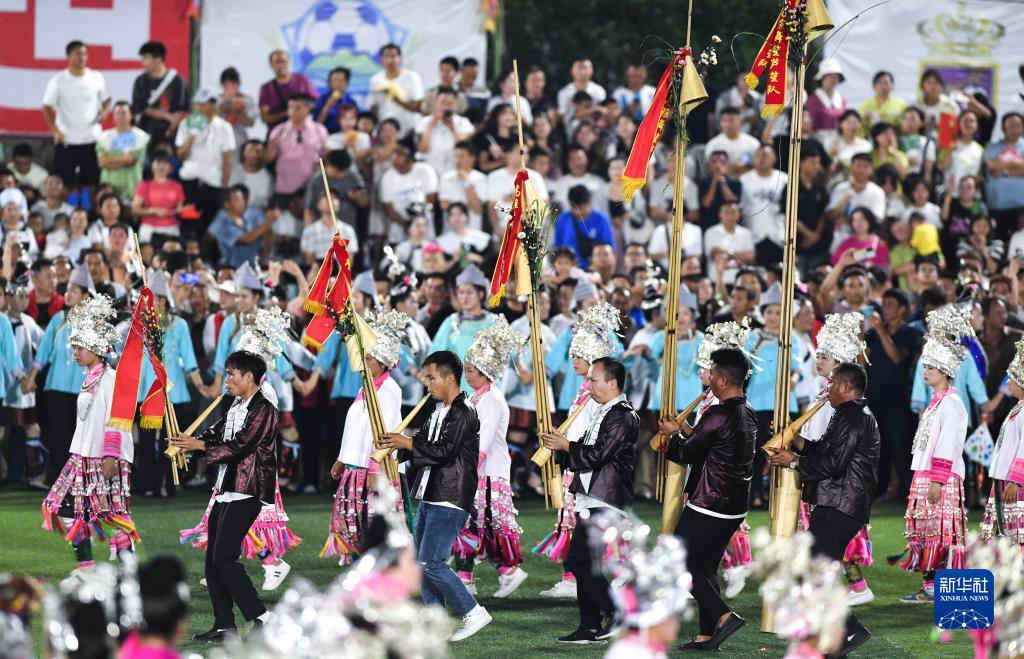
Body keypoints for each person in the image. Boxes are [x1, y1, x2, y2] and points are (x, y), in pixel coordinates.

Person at [379, 350, 493, 641]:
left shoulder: (464, 411)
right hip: (432, 492)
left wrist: (407, 442)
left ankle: (473, 611)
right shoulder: (439, 409)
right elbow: (425, 444)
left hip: (451, 495)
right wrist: (396, 446)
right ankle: (435, 623)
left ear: (449, 378)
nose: (426, 383)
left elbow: (444, 452)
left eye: (431, 377)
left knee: (432, 562)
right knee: (421, 562)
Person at [768, 362, 878, 657]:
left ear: (845, 386)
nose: (826, 390)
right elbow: (826, 451)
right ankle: (839, 632)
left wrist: (793, 460)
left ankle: (845, 629)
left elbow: (833, 464)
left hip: (841, 504)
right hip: (838, 502)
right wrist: (797, 441)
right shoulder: (847, 414)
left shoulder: (854, 417)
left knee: (812, 570)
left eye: (831, 384)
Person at [170, 350, 278, 640]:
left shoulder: (264, 409)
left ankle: (264, 617)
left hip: (248, 489)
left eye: (231, 374)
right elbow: (217, 434)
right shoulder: (235, 406)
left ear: (249, 377)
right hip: (226, 487)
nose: (226, 379)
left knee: (224, 558)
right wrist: (188, 443)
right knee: (213, 559)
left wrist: (199, 447)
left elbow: (241, 446)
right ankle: (224, 624)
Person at [659, 347, 756, 651]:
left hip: (709, 502)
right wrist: (686, 429)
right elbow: (709, 442)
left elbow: (687, 453)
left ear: (724, 380)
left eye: (712, 372)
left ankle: (724, 616)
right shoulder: (747, 411)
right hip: (733, 505)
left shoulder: (719, 413)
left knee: (680, 562)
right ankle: (706, 635)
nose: (708, 377)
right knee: (705, 567)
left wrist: (673, 435)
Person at [539, 357, 638, 644]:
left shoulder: (623, 414)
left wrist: (566, 445)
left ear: (612, 383)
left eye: (593, 380)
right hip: (592, 495)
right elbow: (586, 449)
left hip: (606, 498)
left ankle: (617, 611)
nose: (588, 385)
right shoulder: (604, 410)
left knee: (578, 561)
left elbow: (598, 455)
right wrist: (559, 445)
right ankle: (590, 625)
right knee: (585, 562)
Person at [41, 294, 136, 571]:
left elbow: (117, 418)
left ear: (96, 349)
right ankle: (87, 569)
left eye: (80, 346)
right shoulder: (91, 378)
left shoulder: (109, 379)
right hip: (82, 454)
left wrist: (109, 456)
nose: (75, 352)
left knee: (111, 515)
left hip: (104, 457)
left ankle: (128, 570)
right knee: (69, 509)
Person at [536, 300, 619, 598]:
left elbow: (591, 432)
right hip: (575, 460)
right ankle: (572, 579)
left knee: (586, 525)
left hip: (586, 463)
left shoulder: (596, 393)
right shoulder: (584, 389)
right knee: (571, 519)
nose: (573, 360)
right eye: (572, 354)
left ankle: (589, 580)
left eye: (579, 355)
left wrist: (565, 443)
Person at [891, 305, 971, 603]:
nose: (925, 372)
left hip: (941, 478)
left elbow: (948, 444)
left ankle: (939, 587)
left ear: (946, 371)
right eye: (925, 366)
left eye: (932, 368)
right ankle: (930, 586)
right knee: (927, 530)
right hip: (926, 476)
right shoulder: (937, 403)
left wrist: (937, 479)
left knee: (940, 532)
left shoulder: (952, 405)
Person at [451, 317, 529, 598]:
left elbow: (480, 444)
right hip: (475, 471)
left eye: (471, 370)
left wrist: (459, 468)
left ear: (485, 371)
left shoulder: (493, 400)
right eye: (467, 369)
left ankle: (507, 570)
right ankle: (468, 578)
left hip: (486, 472)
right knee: (471, 525)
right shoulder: (476, 398)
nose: (467, 374)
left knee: (484, 526)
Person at [323, 310, 406, 565]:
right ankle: (363, 565)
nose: (364, 362)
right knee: (355, 520)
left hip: (372, 468)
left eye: (369, 357)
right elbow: (356, 427)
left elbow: (385, 432)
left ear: (383, 363)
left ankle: (377, 566)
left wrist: (375, 469)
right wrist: (341, 458)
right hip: (354, 464)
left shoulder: (389, 390)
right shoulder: (366, 386)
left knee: (371, 519)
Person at [23, 264, 93, 480]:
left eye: (73, 290)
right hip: (56, 387)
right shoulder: (59, 319)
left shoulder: (95, 323)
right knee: (58, 436)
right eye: (67, 290)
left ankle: (80, 481)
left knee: (81, 437)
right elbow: (43, 352)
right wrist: (32, 377)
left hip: (84, 390)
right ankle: (59, 480)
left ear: (85, 296)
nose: (67, 294)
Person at [41, 40, 110, 194]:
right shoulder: (58, 80)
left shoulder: (96, 77)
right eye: (78, 53)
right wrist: (55, 130)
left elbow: (107, 100)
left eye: (85, 53)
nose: (82, 57)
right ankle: (67, 213)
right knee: (65, 183)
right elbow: (46, 107)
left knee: (92, 181)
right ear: (69, 56)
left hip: (91, 138)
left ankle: (89, 213)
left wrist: (104, 113)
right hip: (67, 139)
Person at [980, 336, 1024, 545]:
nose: (1008, 382)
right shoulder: (1017, 409)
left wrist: (1016, 480)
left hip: (1015, 483)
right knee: (1005, 531)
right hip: (1004, 479)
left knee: (1017, 533)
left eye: (1012, 378)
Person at [175, 88, 236, 228]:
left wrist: (224, 187)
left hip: (213, 183)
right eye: (197, 103)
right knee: (189, 222)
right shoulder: (186, 124)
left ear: (213, 104)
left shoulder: (224, 127)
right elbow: (180, 155)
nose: (199, 107)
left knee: (211, 224)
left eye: (203, 103)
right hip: (190, 182)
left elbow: (227, 161)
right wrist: (191, 138)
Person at [264, 93, 328, 206]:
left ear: (308, 108)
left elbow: (325, 159)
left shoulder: (319, 130)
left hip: (311, 188)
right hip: (284, 187)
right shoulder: (279, 130)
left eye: (298, 108)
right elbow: (268, 159)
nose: (293, 111)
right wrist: (272, 145)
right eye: (290, 107)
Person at [131, 41, 189, 144]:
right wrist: (167, 116)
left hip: (171, 137)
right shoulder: (140, 81)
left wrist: (172, 127)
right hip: (146, 136)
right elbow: (140, 107)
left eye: (146, 58)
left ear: (158, 59)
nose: (143, 62)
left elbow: (182, 110)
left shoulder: (178, 81)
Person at [208, 184, 274, 268]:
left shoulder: (245, 221)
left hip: (250, 268)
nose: (243, 202)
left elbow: (262, 240)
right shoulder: (223, 225)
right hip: (230, 270)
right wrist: (267, 222)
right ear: (227, 204)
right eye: (237, 200)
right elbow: (246, 240)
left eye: (243, 199)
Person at [96, 101, 150, 201]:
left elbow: (132, 161)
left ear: (131, 115)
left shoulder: (141, 136)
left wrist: (111, 160)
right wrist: (124, 159)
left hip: (133, 188)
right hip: (109, 188)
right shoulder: (104, 137)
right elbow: (102, 162)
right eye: (117, 113)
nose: (120, 116)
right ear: (113, 116)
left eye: (124, 113)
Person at [552, 185, 616, 269]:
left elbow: (609, 249)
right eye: (574, 208)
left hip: (593, 269)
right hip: (568, 269)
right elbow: (557, 246)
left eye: (581, 208)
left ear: (589, 203)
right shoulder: (563, 219)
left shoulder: (601, 219)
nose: (577, 212)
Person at [415, 88, 475, 176]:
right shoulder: (424, 123)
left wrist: (453, 128)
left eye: (450, 104)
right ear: (436, 103)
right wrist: (431, 125)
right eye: (442, 103)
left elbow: (464, 147)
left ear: (456, 105)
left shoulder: (464, 123)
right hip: (430, 172)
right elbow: (423, 149)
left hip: (454, 172)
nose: (446, 107)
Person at [369, 43, 424, 136]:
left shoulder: (412, 77)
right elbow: (374, 106)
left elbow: (418, 106)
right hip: (386, 131)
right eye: (387, 56)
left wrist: (393, 95)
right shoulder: (375, 80)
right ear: (381, 59)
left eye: (393, 56)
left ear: (400, 58)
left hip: (409, 129)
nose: (390, 60)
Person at [258, 50, 318, 131]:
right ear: (271, 65)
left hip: (303, 132)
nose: (281, 65)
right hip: (278, 134)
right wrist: (288, 112)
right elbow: (265, 117)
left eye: (284, 61)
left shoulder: (302, 80)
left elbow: (316, 103)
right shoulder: (266, 88)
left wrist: (301, 110)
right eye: (277, 62)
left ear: (289, 62)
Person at [132, 153, 185, 243]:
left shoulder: (177, 186)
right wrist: (154, 211)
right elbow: (135, 210)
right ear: (152, 165)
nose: (162, 166)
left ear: (171, 168)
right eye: (159, 162)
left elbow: (179, 208)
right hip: (149, 228)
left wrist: (185, 211)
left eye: (165, 163)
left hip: (171, 228)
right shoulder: (144, 185)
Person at [705, 108, 761, 176]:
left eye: (732, 120)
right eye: (725, 121)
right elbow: (710, 169)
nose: (728, 124)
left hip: (748, 181)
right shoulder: (713, 145)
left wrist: (743, 166)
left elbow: (759, 166)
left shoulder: (753, 143)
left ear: (740, 121)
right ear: (720, 123)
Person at [218, 67, 257, 155]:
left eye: (234, 85)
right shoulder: (215, 100)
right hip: (219, 142)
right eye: (228, 85)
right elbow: (218, 110)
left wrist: (238, 110)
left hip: (239, 142)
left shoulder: (247, 100)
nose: (231, 88)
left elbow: (250, 123)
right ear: (223, 85)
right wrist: (230, 104)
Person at [805, 59, 846, 143]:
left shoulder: (842, 100)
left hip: (839, 142)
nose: (833, 80)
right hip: (817, 141)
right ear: (822, 78)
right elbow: (807, 125)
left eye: (836, 77)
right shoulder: (812, 101)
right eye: (830, 76)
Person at [313, 66, 358, 134]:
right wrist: (327, 106)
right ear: (329, 83)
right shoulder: (322, 100)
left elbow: (355, 126)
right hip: (326, 136)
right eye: (335, 80)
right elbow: (316, 125)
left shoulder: (351, 102)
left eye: (341, 81)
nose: (338, 84)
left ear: (347, 83)